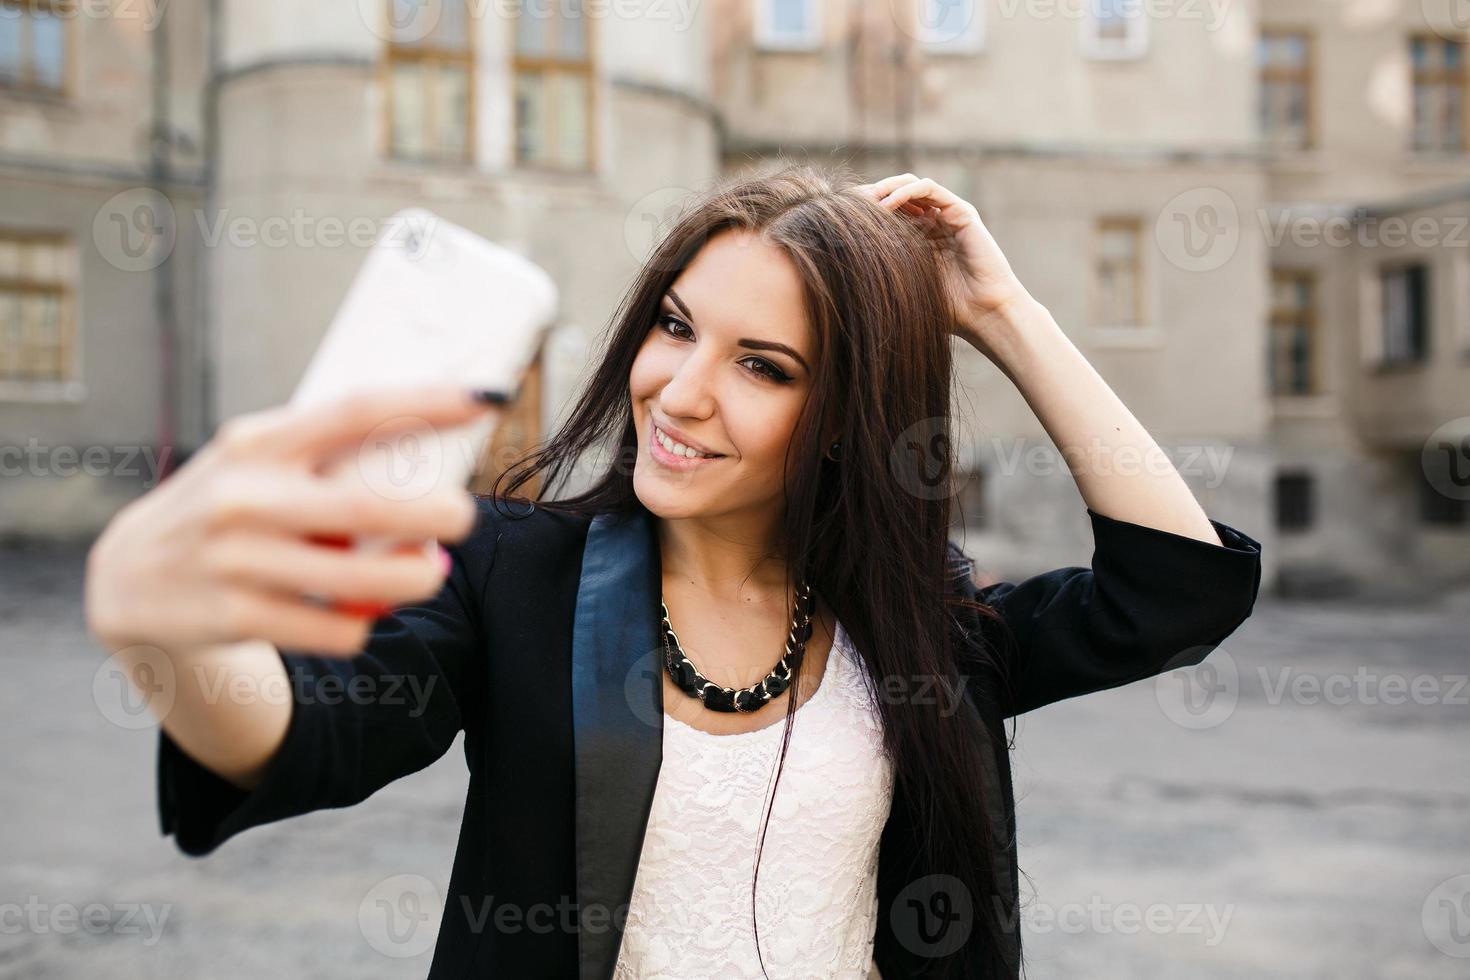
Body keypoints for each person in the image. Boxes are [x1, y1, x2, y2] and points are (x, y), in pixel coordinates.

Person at [84, 164, 1263, 979]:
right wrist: (170, 628)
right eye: (675, 324)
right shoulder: (512, 570)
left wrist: (1003, 311)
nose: (682, 390)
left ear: (850, 412)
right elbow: (296, 735)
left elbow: (1177, 591)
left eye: (763, 363)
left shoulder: (921, 623)